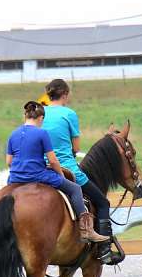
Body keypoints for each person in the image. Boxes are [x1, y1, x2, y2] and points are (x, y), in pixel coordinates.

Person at [41, 79, 122, 265]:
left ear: (49, 94)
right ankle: (104, 250)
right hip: (67, 169)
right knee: (102, 202)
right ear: (65, 95)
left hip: (41, 169)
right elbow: (76, 147)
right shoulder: (69, 114)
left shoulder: (40, 113)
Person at [6, 101, 108, 244]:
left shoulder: (13, 134)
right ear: (41, 118)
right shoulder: (42, 133)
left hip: (15, 178)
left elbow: (9, 162)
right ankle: (87, 230)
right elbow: (53, 161)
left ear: (25, 116)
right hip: (38, 175)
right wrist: (60, 176)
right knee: (75, 189)